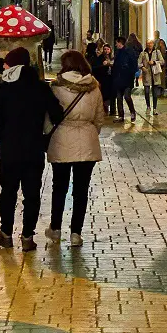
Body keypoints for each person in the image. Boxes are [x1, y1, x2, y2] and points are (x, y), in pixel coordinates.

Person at [0, 47, 63, 251]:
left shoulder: (2, 90)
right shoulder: (40, 88)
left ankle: (6, 234)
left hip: (10, 151)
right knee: (32, 195)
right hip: (34, 150)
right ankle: (27, 237)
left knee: (8, 193)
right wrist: (44, 131)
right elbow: (57, 114)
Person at [46, 50, 105, 245]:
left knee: (59, 187)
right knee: (81, 190)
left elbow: (49, 118)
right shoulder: (94, 87)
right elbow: (99, 118)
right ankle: (76, 233)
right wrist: (89, 133)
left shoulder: (56, 87)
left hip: (62, 139)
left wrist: (48, 134)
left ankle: (55, 228)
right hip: (87, 142)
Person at [112, 35, 139, 121]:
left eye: (116, 43)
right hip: (119, 79)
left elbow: (134, 64)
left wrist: (131, 73)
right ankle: (121, 116)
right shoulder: (118, 53)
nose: (116, 45)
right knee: (119, 98)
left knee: (127, 96)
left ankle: (132, 112)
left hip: (127, 79)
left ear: (120, 43)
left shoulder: (129, 52)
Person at [139, 39, 166, 114]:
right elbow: (139, 63)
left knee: (155, 92)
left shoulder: (157, 52)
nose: (149, 45)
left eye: (150, 43)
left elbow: (162, 61)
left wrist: (154, 62)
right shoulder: (143, 53)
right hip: (147, 74)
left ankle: (155, 108)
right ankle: (148, 107)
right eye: (148, 43)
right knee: (147, 91)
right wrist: (142, 67)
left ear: (153, 44)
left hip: (155, 74)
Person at [92, 42, 115, 115]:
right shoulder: (100, 58)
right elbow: (95, 68)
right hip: (104, 79)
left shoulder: (113, 58)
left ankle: (112, 110)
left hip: (111, 79)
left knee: (111, 95)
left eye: (108, 49)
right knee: (104, 94)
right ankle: (105, 109)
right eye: (105, 49)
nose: (106, 51)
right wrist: (103, 65)